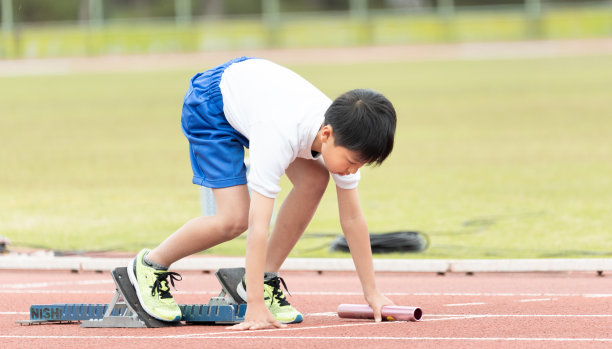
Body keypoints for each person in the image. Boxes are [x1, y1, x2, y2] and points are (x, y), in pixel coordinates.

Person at [127, 56, 397, 330]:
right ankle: (149, 265)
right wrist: (254, 305)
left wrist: (371, 292)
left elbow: (352, 220)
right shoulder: (279, 135)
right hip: (212, 105)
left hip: (257, 97)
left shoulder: (346, 136)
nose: (353, 171)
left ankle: (262, 277)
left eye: (361, 164)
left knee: (315, 180)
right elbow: (258, 226)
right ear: (326, 134)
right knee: (234, 219)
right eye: (352, 162)